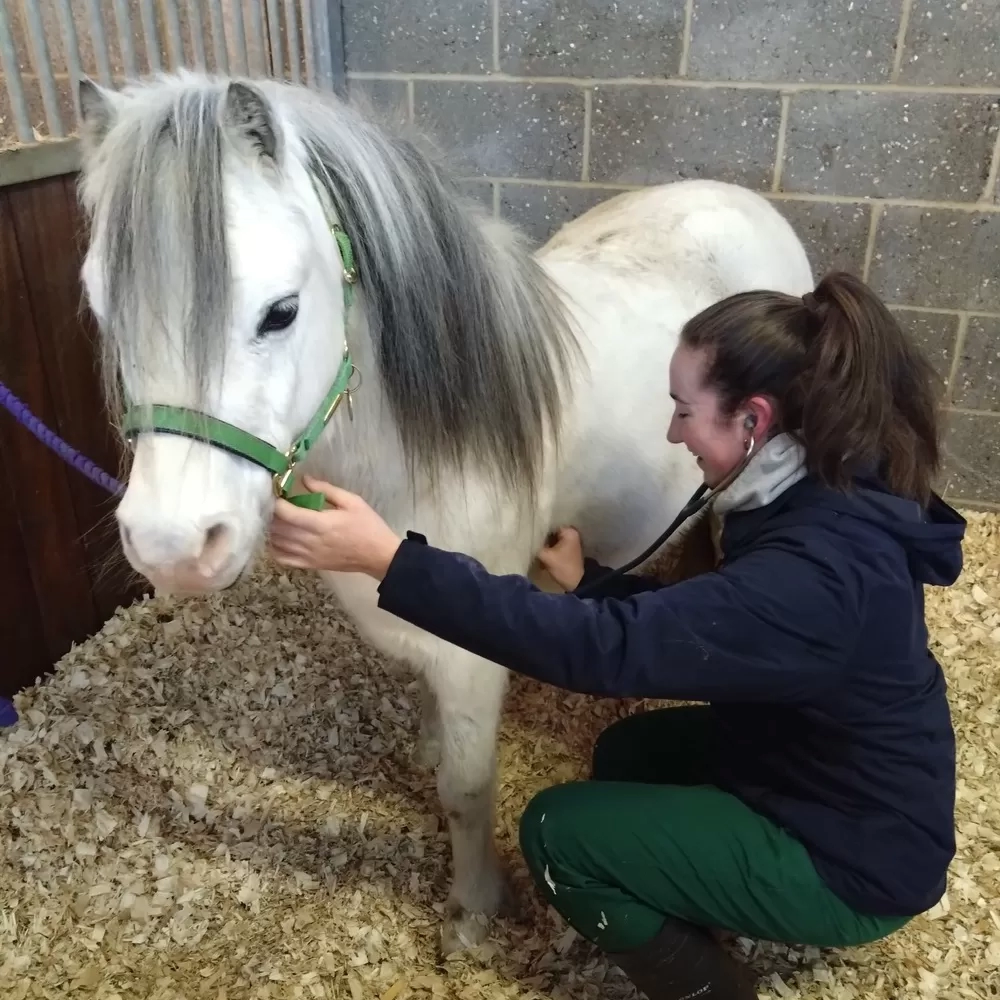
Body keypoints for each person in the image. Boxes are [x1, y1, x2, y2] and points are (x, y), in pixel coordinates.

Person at [267, 271, 966, 1000]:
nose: (673, 433)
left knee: (556, 833)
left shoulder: (815, 575)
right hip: (815, 762)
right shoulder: (816, 482)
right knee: (626, 753)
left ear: (752, 420)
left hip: (854, 861)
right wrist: (591, 582)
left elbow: (604, 651)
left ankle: (714, 988)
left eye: (684, 410)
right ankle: (703, 879)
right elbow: (713, 620)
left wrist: (388, 558)